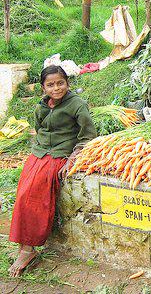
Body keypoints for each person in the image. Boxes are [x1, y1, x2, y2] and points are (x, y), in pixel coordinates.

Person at [8, 65, 97, 277]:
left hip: (59, 155)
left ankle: (29, 249)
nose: (56, 88)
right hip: (39, 154)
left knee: (37, 197)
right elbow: (39, 130)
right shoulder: (41, 107)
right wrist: (39, 149)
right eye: (50, 85)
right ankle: (23, 245)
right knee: (22, 195)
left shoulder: (77, 104)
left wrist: (73, 158)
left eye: (60, 83)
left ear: (67, 83)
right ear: (43, 87)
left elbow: (88, 135)